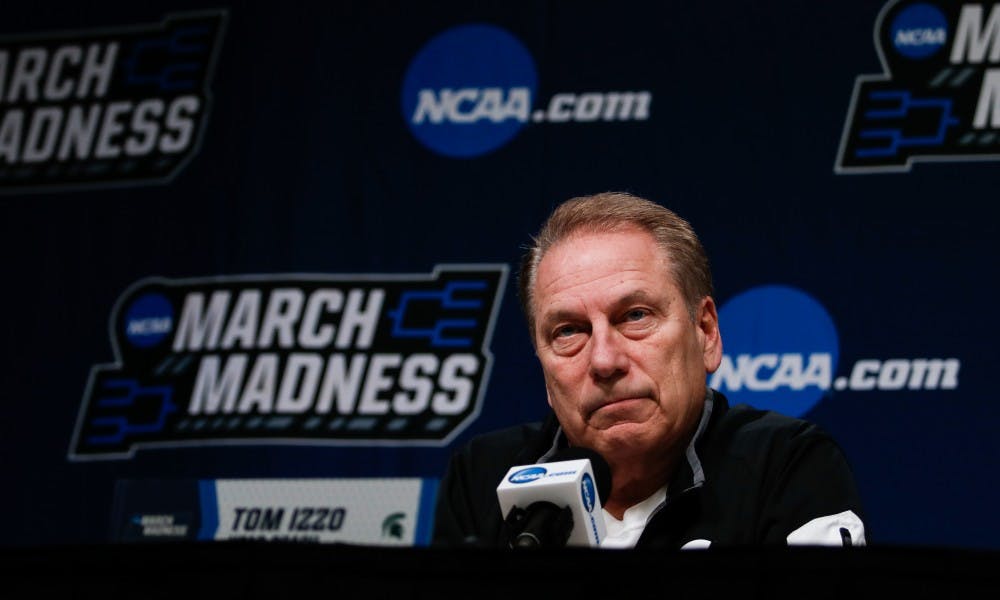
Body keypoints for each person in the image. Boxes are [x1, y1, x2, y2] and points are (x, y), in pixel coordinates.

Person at [432, 191, 867, 549]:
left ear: (706, 333)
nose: (604, 360)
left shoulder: (783, 465)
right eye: (568, 331)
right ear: (543, 367)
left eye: (635, 316)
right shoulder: (485, 475)